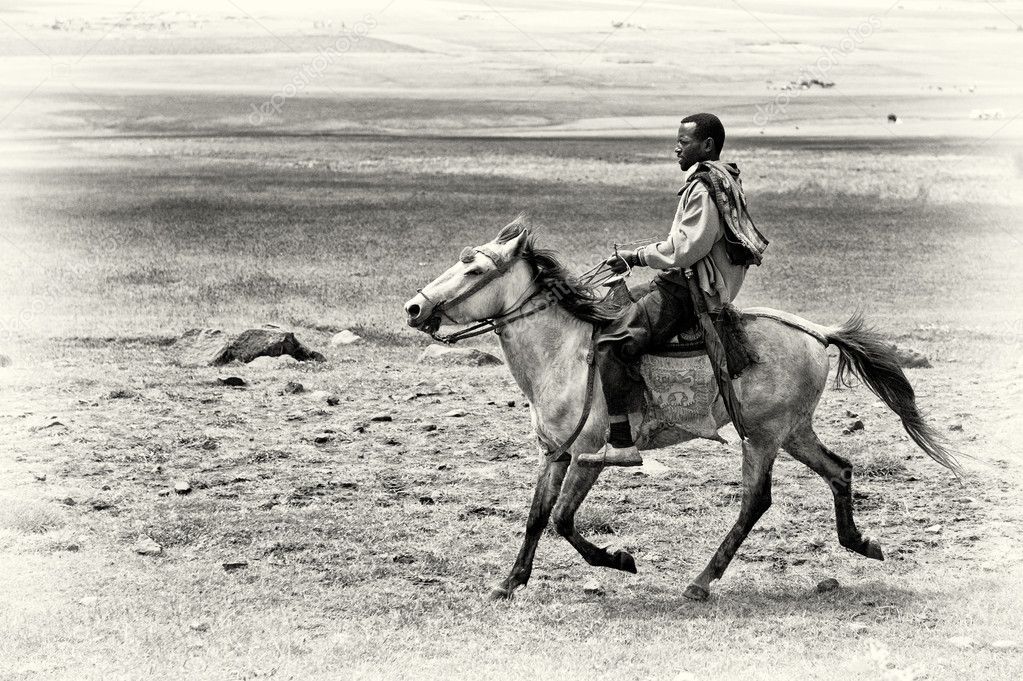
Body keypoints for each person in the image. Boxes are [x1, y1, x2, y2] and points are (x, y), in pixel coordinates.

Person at [577, 113, 767, 468]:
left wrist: (637, 256)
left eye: (684, 142)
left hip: (690, 289)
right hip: (684, 280)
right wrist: (638, 258)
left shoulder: (704, 188)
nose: (677, 148)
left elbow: (685, 249)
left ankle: (621, 441)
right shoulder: (720, 179)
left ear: (706, 145)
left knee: (610, 342)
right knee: (614, 305)